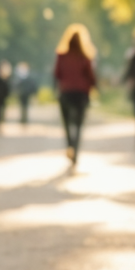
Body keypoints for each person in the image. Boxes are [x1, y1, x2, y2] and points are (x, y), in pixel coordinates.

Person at [51, 25, 97, 165]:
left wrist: (58, 88)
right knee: (78, 124)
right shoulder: (85, 57)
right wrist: (94, 88)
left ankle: (70, 145)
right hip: (81, 94)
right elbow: (91, 77)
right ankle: (75, 150)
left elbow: (57, 74)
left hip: (65, 92)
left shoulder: (61, 56)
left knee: (66, 123)